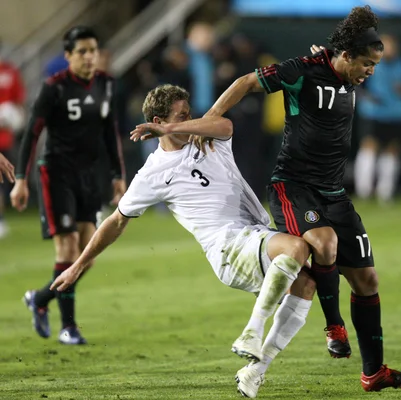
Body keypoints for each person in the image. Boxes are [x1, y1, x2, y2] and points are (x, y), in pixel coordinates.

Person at [197, 5, 401, 393]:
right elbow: (247, 82)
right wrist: (210, 117)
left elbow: (340, 61)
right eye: (367, 64)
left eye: (375, 66)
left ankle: (374, 372)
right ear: (347, 56)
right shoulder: (303, 69)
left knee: (367, 280)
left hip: (334, 192)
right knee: (323, 242)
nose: (371, 72)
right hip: (292, 187)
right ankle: (334, 327)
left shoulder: (346, 73)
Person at [51, 84, 315, 399]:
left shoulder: (206, 136)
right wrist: (78, 266)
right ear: (158, 120)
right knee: (297, 248)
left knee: (307, 284)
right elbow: (116, 221)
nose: (190, 120)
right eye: (181, 116)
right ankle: (251, 332)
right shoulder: (152, 174)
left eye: (189, 114)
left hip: (254, 234)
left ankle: (255, 371)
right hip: (227, 248)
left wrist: (178, 126)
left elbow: (226, 124)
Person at [10, 26, 127, 345]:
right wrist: (21, 179)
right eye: (82, 51)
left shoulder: (106, 84)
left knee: (89, 253)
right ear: (68, 56)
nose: (90, 56)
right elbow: (32, 133)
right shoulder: (54, 88)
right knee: (69, 249)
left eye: (93, 50)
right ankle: (68, 327)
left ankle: (40, 298)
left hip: (89, 175)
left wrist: (118, 175)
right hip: (56, 174)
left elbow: (109, 132)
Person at [355, 34, 401, 202]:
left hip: (396, 114)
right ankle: (363, 191)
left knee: (392, 150)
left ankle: (385, 193)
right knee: (369, 147)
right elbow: (357, 85)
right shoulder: (367, 63)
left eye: (391, 46)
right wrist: (368, 97)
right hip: (373, 113)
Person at [0, 49, 25, 238]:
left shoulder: (10, 71)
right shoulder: (10, 72)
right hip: (5, 137)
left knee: (4, 180)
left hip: (5, 138)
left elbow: (18, 106)